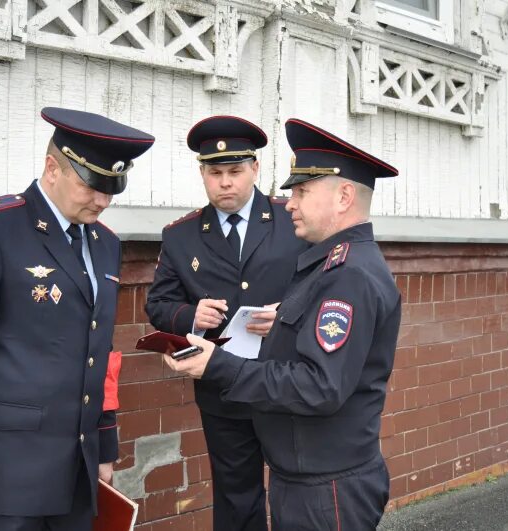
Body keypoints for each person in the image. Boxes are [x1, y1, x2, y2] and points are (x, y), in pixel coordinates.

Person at [166, 118, 402, 530]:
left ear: (344, 196)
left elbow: (320, 386)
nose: (289, 202)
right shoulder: (331, 263)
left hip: (326, 485)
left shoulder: (348, 274)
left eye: (302, 191)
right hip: (308, 473)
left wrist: (216, 364)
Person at [0, 107, 154, 531]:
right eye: (92, 186)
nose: (103, 200)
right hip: (8, 472)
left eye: (112, 189)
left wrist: (103, 445)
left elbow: (99, 350)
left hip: (77, 469)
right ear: (53, 168)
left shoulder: (105, 243)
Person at [145, 115, 309, 530]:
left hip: (285, 378)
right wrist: (188, 316)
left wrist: (287, 313)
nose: (225, 182)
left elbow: (324, 283)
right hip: (224, 390)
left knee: (301, 488)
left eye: (235, 171)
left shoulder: (292, 220)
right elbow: (159, 303)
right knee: (237, 498)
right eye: (214, 173)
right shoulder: (180, 236)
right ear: (202, 173)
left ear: (255, 169)